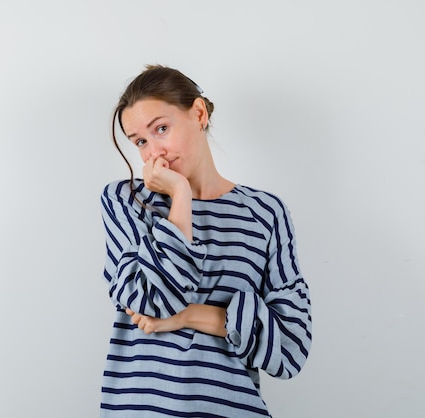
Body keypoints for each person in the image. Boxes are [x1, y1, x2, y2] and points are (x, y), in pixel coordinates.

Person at [98, 65, 312, 417]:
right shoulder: (127, 201)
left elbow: (290, 349)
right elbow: (154, 301)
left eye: (161, 129)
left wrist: (187, 317)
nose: (154, 153)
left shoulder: (265, 213)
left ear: (198, 114)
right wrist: (180, 194)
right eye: (140, 142)